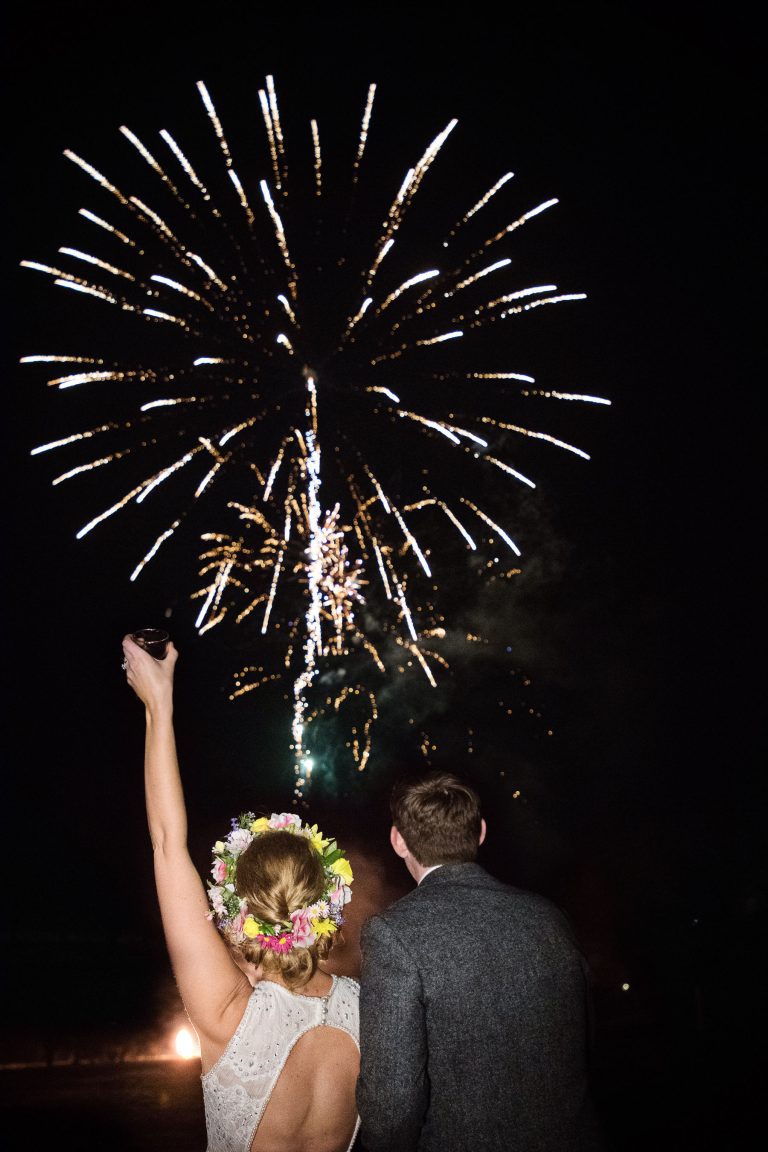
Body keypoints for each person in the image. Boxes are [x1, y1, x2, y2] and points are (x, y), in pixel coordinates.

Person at [121, 634, 360, 1152]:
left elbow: (167, 842)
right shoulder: (370, 1012)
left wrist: (157, 707)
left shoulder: (230, 1012)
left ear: (243, 909)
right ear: (323, 903)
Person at [356, 770, 603, 1152]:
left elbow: (393, 1106)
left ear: (398, 841)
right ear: (481, 832)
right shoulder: (549, 916)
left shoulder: (394, 933)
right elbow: (584, 1042)